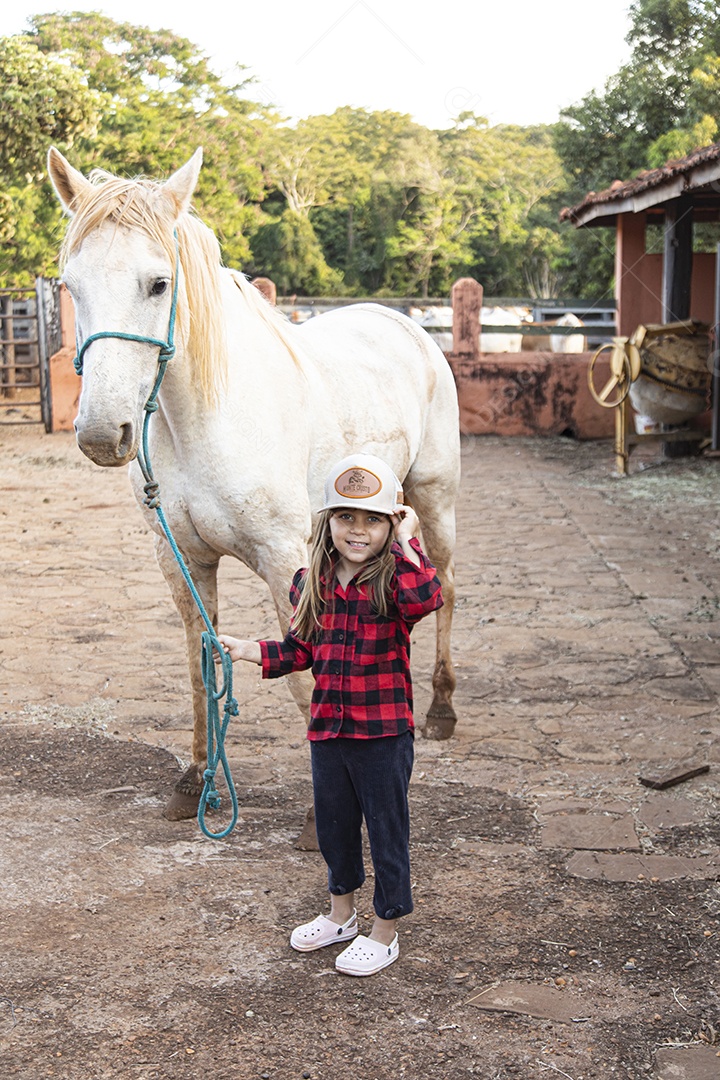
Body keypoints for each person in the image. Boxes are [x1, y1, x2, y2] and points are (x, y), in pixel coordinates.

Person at [217, 453, 443, 976]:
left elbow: (429, 595)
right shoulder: (310, 583)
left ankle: (384, 931)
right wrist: (247, 649)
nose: (357, 531)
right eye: (345, 518)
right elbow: (300, 651)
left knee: (387, 831)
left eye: (373, 520)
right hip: (329, 730)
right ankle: (341, 915)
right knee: (335, 828)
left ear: (392, 523)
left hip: (383, 734)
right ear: (328, 522)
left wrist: (411, 538)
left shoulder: (396, 582)